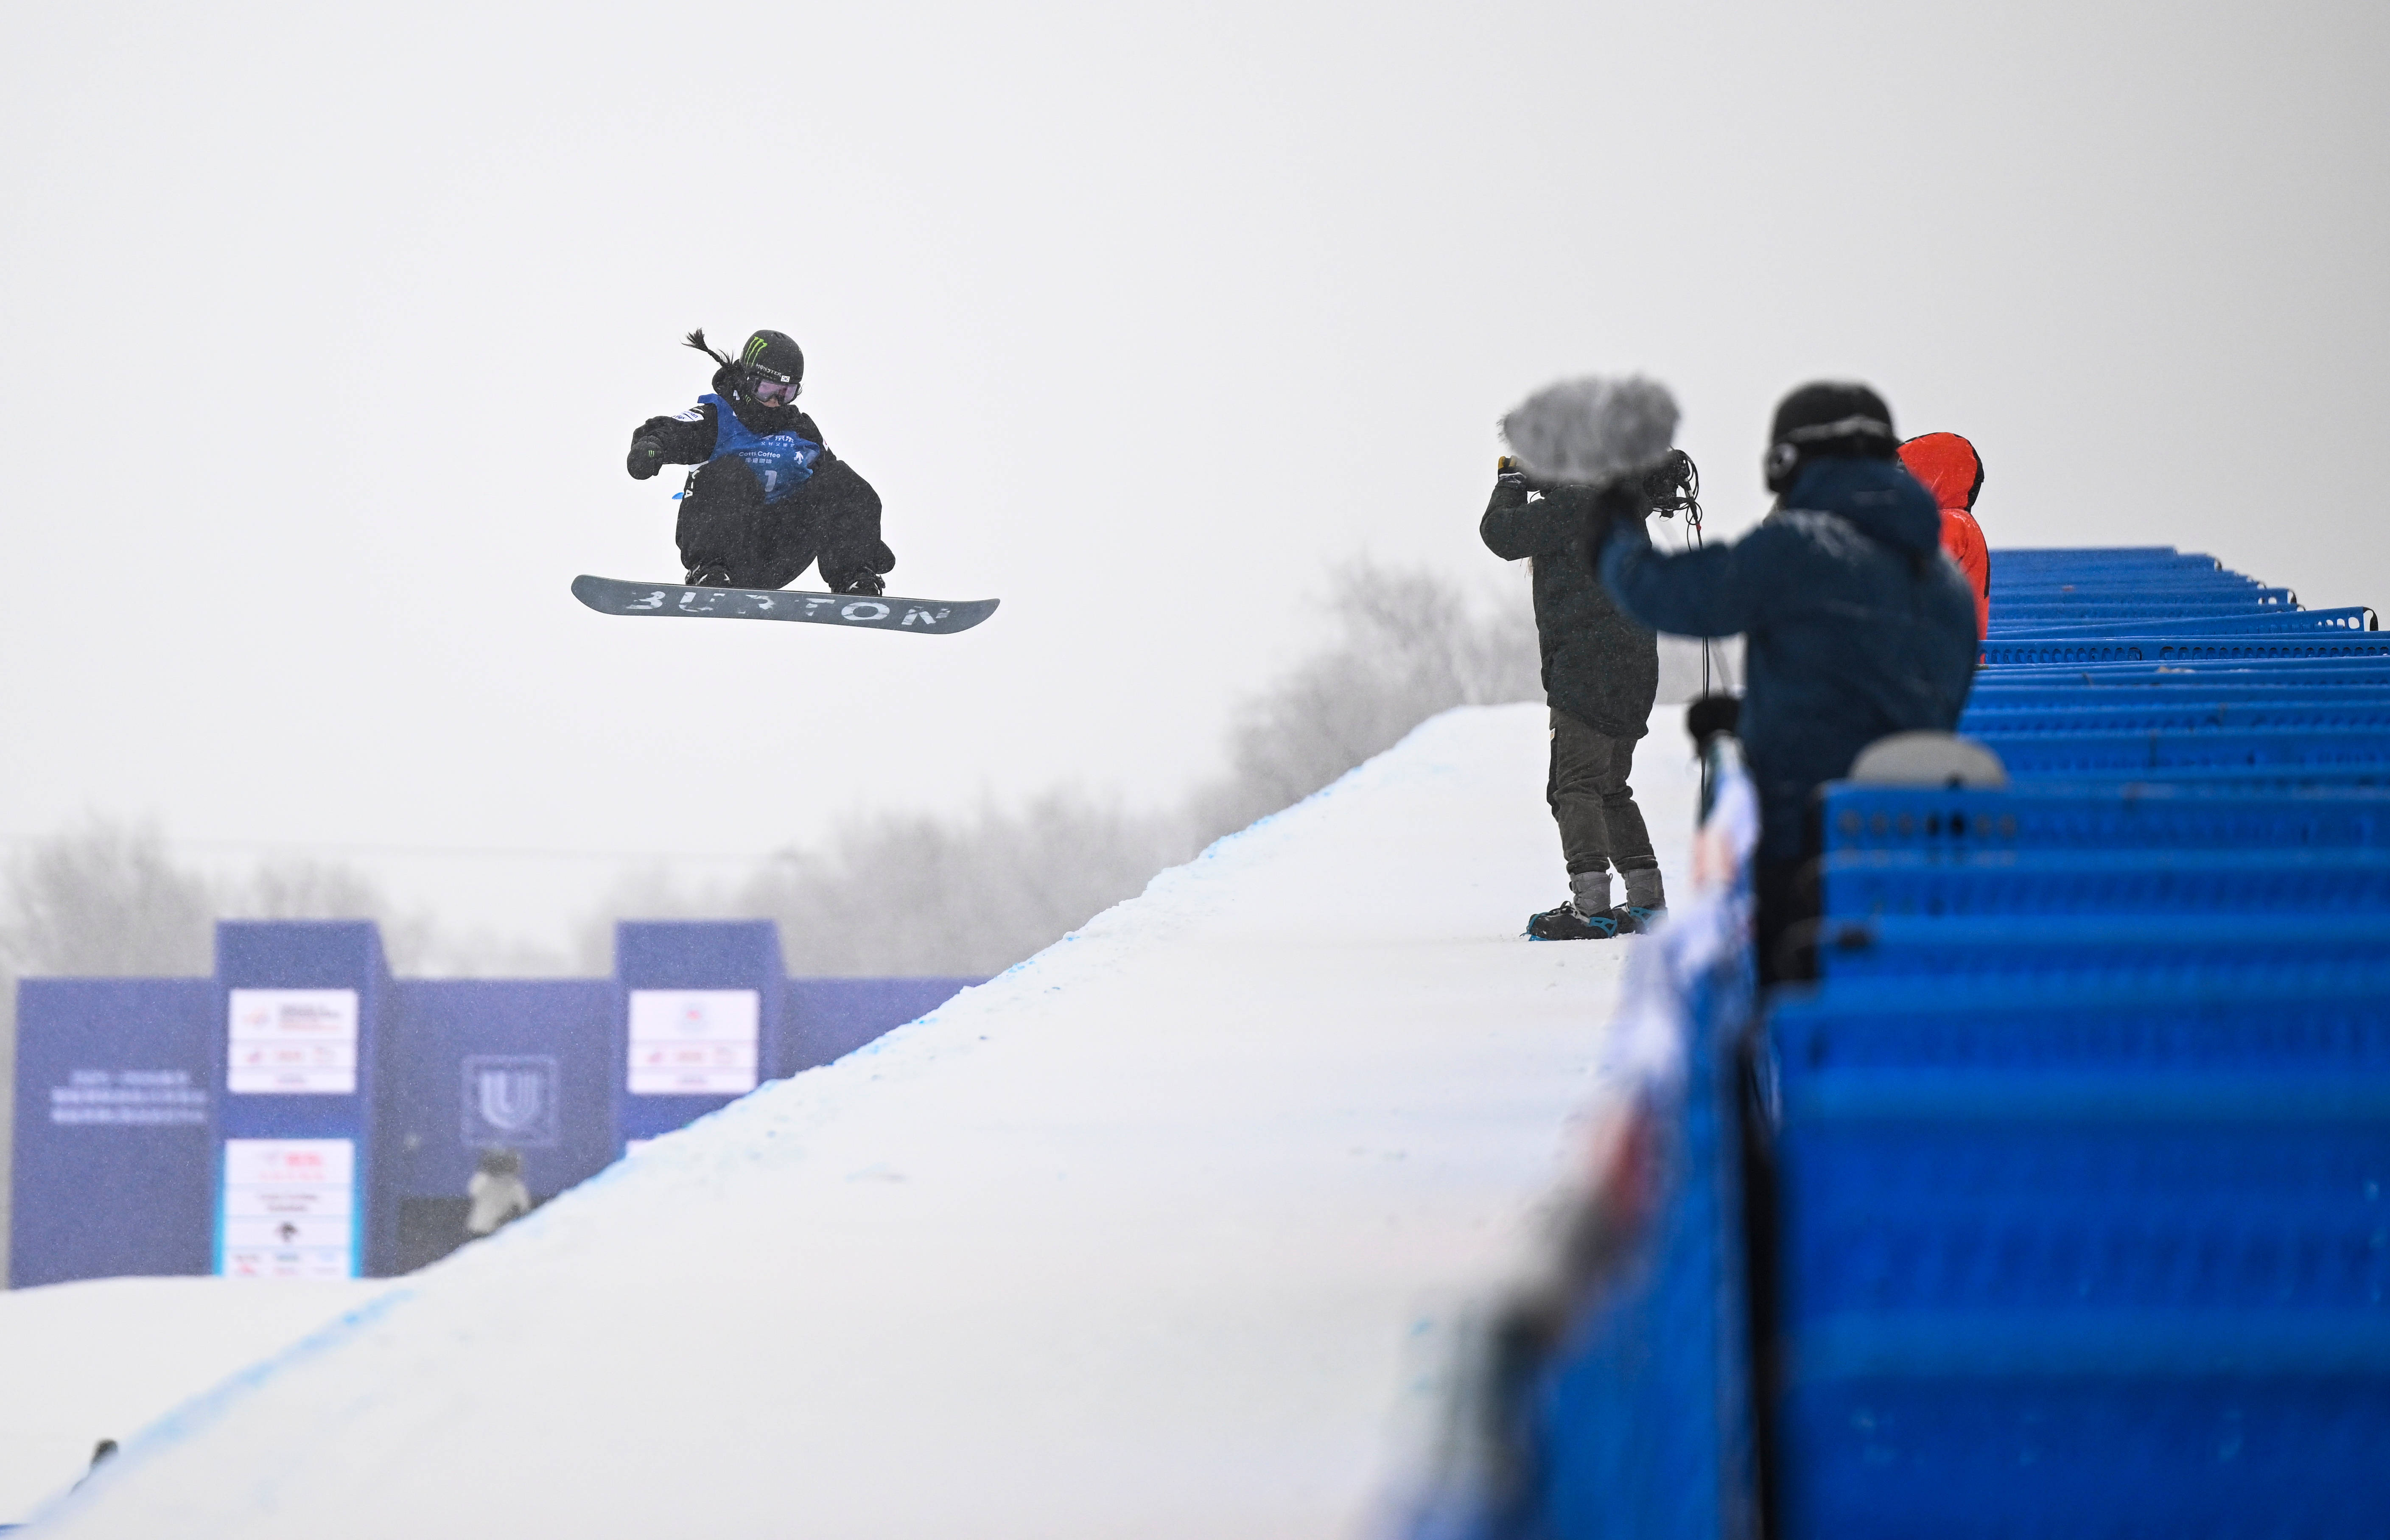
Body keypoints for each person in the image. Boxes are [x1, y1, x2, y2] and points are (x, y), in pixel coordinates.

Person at [1592, 382, 1978, 978]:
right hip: (1917, 864)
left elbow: (1671, 595)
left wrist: (1613, 532)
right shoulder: (1945, 585)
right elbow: (1879, 702)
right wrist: (1753, 722)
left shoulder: (1799, 547)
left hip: (1805, 864)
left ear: (1787, 462)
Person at [1480, 377, 1676, 941]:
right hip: (1631, 662)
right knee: (1609, 786)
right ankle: (1646, 900)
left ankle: (1591, 907)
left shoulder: (1578, 500)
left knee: (1574, 787)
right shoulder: (1612, 496)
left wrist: (1510, 482)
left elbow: (1501, 533)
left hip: (1589, 665)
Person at [625, 329, 896, 594]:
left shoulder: (801, 430)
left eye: (786, 393)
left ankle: (855, 580)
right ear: (747, 381)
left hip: (784, 550)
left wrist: (862, 541)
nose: (775, 401)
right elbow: (671, 430)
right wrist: (651, 447)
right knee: (730, 472)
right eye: (767, 390)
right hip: (732, 546)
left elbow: (841, 493)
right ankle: (710, 571)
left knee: (838, 477)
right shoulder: (717, 418)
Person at [1899, 431, 1991, 638]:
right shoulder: (1952, 522)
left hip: (1941, 651)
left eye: (1905, 474)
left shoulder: (1950, 524)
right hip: (1945, 648)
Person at [466, 1147, 533, 1238]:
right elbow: (524, 1209)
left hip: (480, 1230)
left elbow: (473, 1193)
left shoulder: (482, 1179)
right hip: (496, 1233)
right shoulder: (516, 1186)